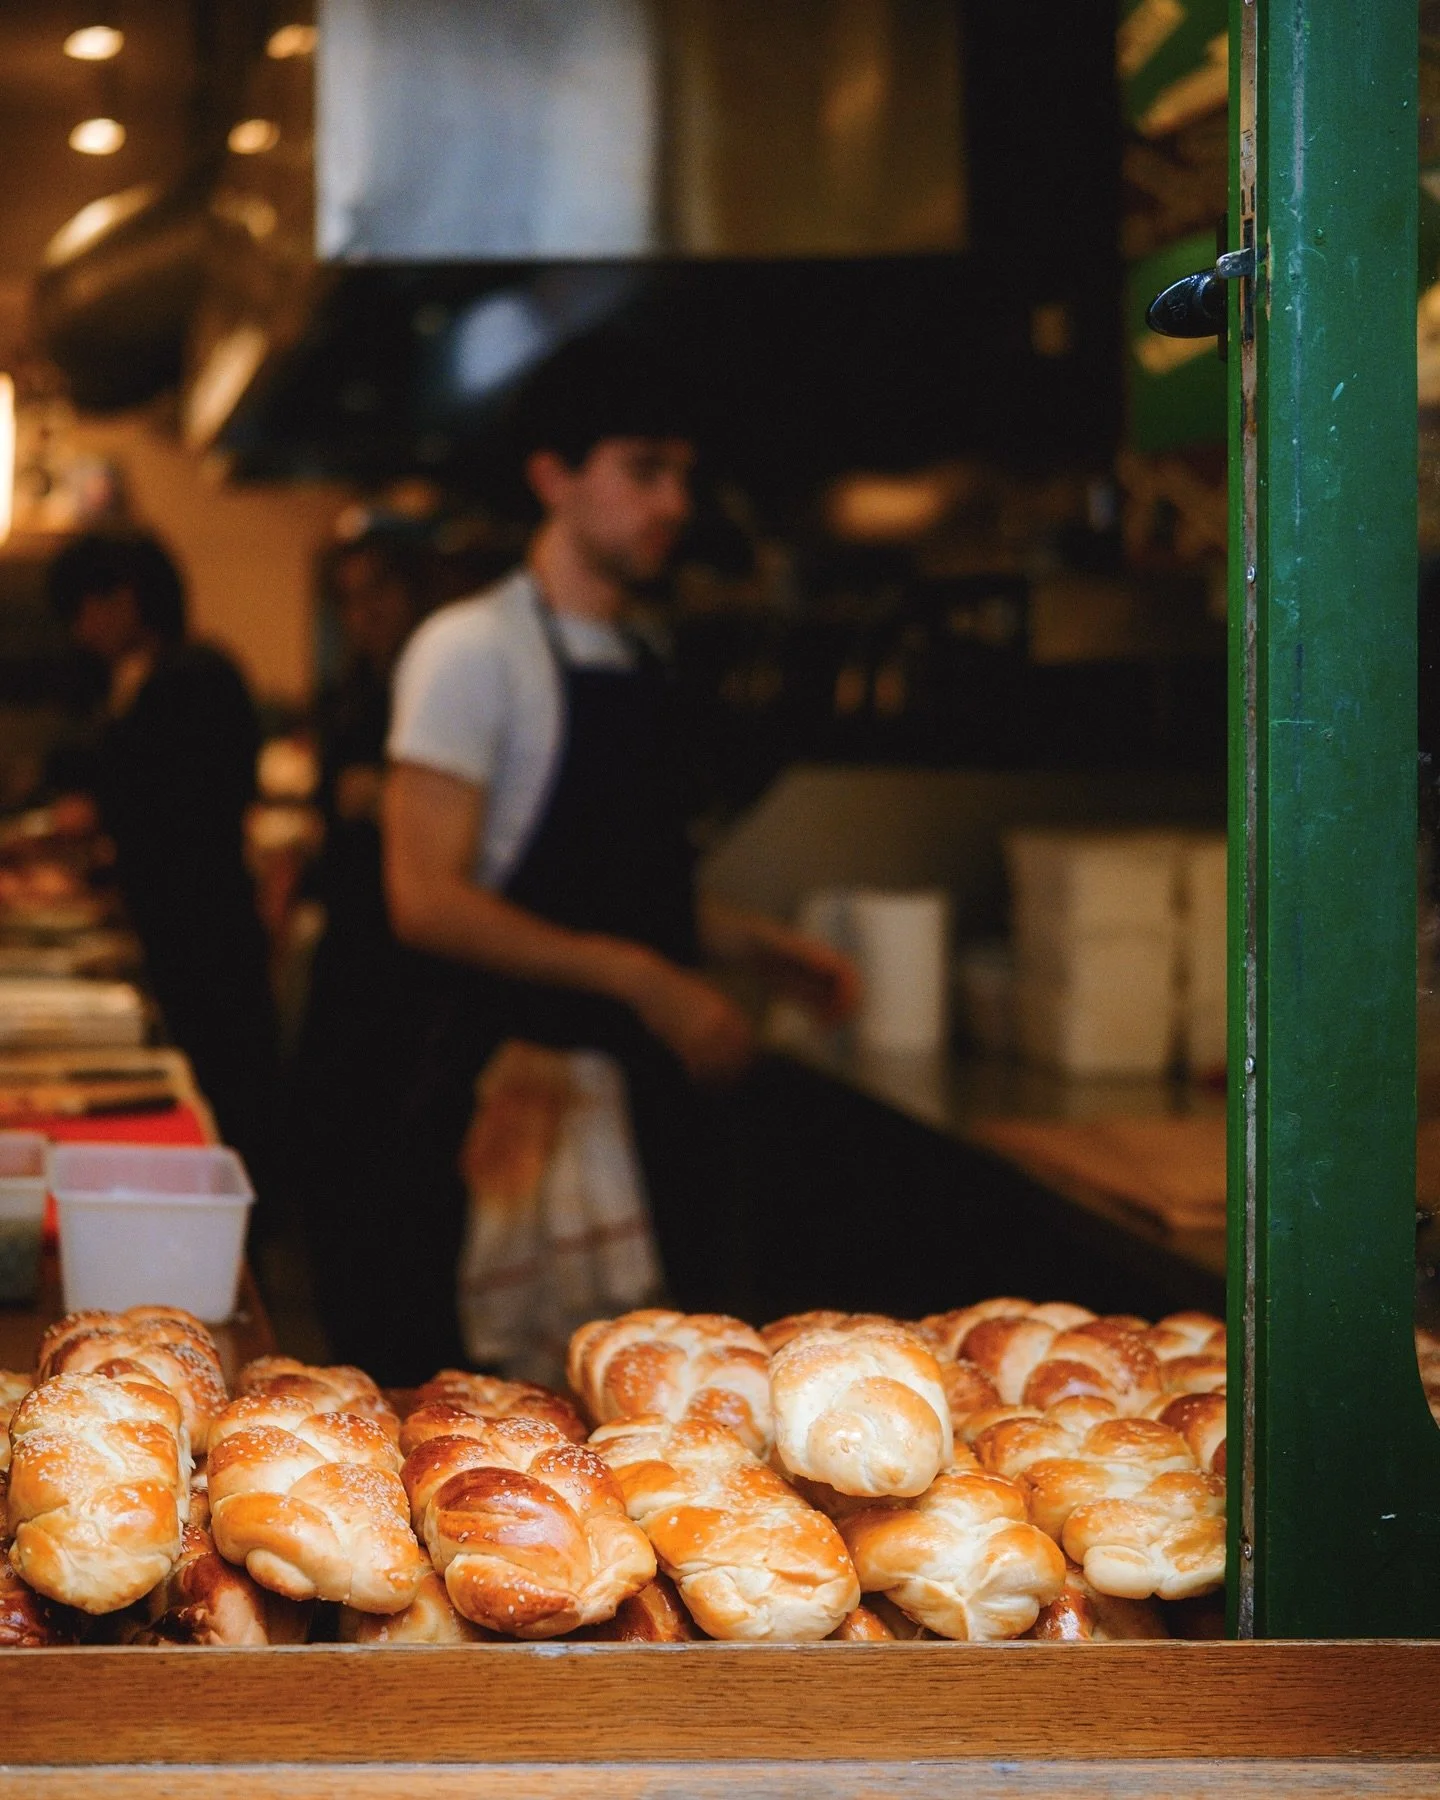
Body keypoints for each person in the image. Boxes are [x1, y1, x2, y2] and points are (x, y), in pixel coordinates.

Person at [379, 337, 858, 1382]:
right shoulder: (472, 650)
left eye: (681, 474)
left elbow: (626, 888)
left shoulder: (641, 651)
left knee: (655, 1404)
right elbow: (425, 900)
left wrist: (753, 944)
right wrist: (648, 980)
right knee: (506, 1416)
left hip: (651, 1111)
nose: (673, 503)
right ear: (553, 475)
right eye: (644, 470)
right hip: (514, 1102)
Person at [46, 530, 280, 1205]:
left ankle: (235, 1230)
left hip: (206, 919)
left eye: (84, 609)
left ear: (124, 599)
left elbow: (194, 800)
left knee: (222, 1087)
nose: (80, 631)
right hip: (177, 914)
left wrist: (102, 815)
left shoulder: (196, 673)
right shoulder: (137, 676)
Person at [290, 525, 431, 1364]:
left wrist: (386, 800)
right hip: (349, 947)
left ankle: (385, 1353)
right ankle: (346, 1345)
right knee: (331, 1147)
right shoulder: (354, 690)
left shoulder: (432, 686)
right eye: (349, 599)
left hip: (412, 966)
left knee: (389, 1164)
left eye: (377, 592)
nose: (364, 612)